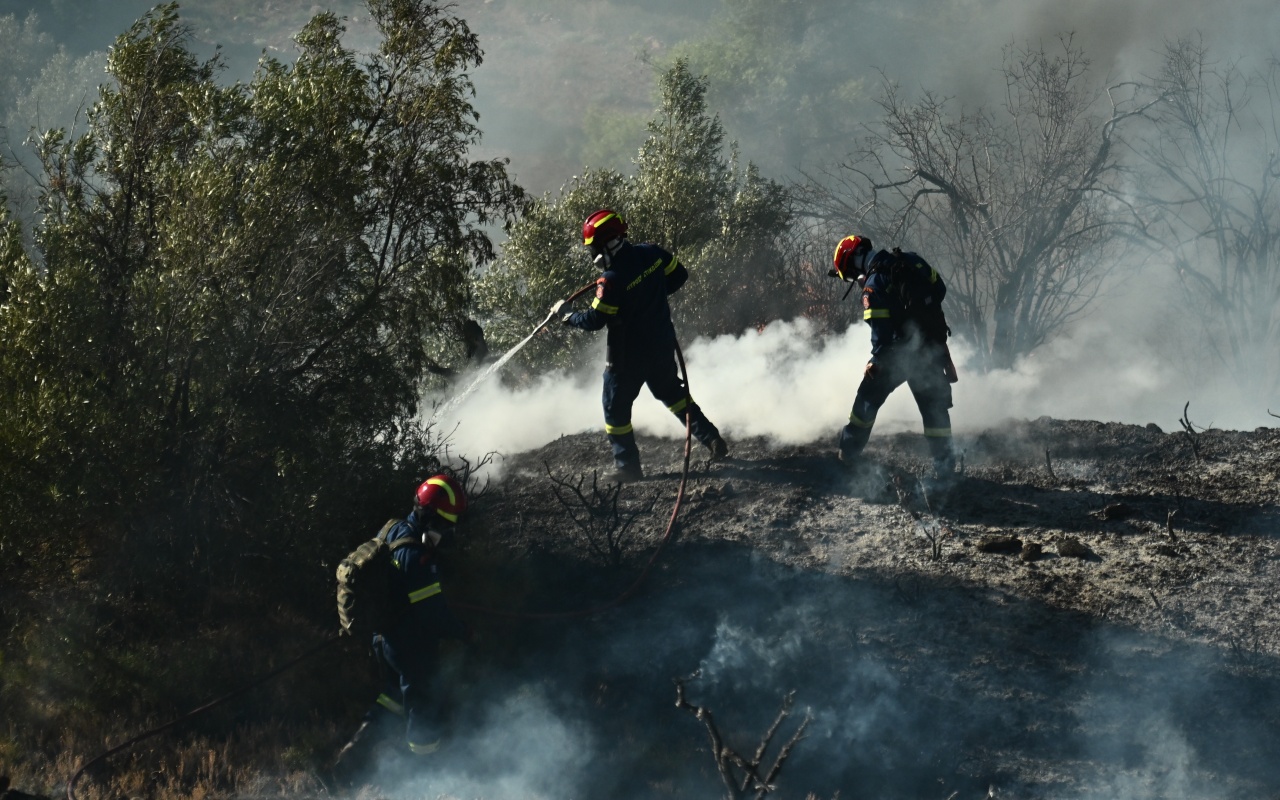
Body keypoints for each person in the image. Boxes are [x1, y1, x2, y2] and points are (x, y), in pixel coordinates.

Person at [554, 209, 729, 482]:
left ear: (606, 244)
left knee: (615, 408)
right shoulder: (652, 253)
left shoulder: (610, 280)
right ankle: (712, 438)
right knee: (671, 393)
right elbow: (679, 275)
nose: (592, 254)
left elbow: (594, 320)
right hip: (661, 344)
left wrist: (566, 315)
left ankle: (628, 467)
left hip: (626, 357)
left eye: (593, 248)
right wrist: (651, 294)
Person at [334, 474, 471, 780]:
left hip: (383, 639)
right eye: (444, 524)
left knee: (393, 694)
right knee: (422, 703)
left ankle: (357, 745)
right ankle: (425, 773)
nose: (447, 531)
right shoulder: (418, 558)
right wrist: (463, 631)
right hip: (410, 645)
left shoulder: (393, 528)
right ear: (429, 517)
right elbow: (433, 614)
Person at [830, 235, 958, 479]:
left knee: (866, 400)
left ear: (854, 261)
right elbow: (939, 292)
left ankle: (848, 453)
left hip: (898, 355)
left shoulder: (874, 285)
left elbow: (882, 335)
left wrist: (875, 362)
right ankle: (945, 467)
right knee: (934, 409)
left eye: (850, 273)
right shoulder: (912, 261)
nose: (854, 278)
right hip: (930, 348)